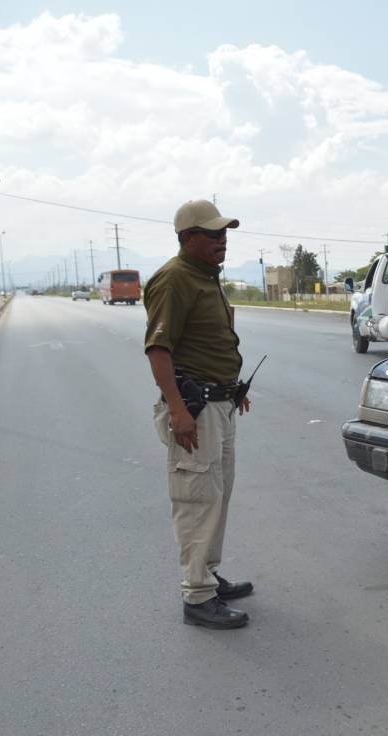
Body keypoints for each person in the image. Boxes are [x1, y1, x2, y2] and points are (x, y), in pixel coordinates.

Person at [144, 199, 255, 630]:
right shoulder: (175, 279)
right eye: (212, 234)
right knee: (196, 500)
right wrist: (178, 409)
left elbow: (209, 343)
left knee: (216, 496)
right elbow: (159, 349)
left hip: (219, 404)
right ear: (187, 237)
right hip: (195, 409)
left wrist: (233, 389)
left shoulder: (206, 276)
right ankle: (197, 595)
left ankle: (207, 574)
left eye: (223, 233)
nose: (221, 240)